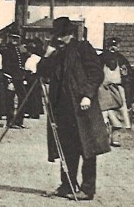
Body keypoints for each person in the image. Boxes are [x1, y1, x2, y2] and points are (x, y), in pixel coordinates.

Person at [40, 17, 110, 201]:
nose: (59, 39)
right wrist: (47, 56)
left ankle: (87, 189)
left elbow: (96, 73)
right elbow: (42, 73)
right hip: (62, 109)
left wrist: (88, 95)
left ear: (70, 34)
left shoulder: (83, 49)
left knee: (87, 148)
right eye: (56, 36)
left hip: (82, 106)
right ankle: (67, 185)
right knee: (66, 148)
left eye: (62, 36)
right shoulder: (56, 53)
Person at [99, 37, 132, 147]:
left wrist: (128, 92)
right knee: (104, 112)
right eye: (110, 46)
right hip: (103, 89)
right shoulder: (100, 58)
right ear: (107, 47)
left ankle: (115, 137)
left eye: (115, 46)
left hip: (118, 89)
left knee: (118, 113)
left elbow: (127, 76)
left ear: (118, 47)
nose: (113, 48)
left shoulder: (122, 60)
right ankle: (104, 137)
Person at [0, 33, 26, 128]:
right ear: (9, 38)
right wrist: (9, 80)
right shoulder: (6, 50)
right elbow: (6, 66)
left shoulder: (18, 49)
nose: (15, 40)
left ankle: (19, 121)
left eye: (17, 38)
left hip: (18, 78)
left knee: (23, 97)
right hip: (10, 78)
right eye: (13, 38)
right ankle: (10, 121)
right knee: (10, 100)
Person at [23, 38, 44, 119]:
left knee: (32, 95)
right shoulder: (37, 58)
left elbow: (28, 68)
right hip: (34, 77)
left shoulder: (31, 59)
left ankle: (33, 112)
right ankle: (34, 112)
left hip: (31, 76)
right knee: (35, 95)